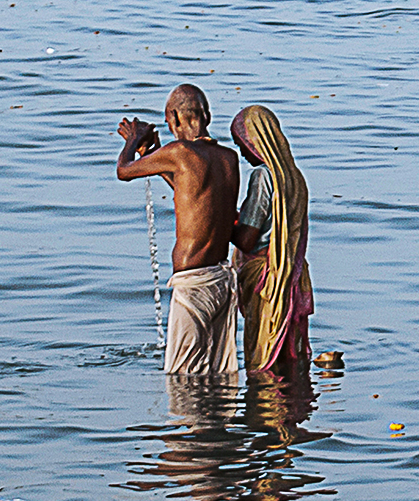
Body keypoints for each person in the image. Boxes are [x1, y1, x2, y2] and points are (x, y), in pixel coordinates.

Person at [116, 85, 241, 376]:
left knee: (183, 377)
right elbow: (196, 197)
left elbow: (124, 171)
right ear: (207, 115)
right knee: (216, 373)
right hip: (221, 280)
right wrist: (157, 155)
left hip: (192, 284)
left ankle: (192, 422)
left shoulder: (180, 152)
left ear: (173, 117)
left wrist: (133, 140)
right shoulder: (228, 158)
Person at [230, 104, 313, 378]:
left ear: (256, 141)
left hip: (269, 281)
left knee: (263, 360)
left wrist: (216, 220)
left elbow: (247, 238)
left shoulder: (263, 176)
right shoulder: (296, 177)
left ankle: (264, 415)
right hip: (294, 276)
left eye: (242, 143)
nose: (242, 152)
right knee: (289, 356)